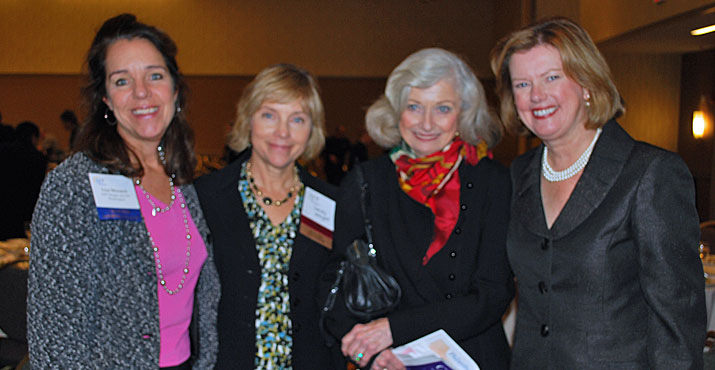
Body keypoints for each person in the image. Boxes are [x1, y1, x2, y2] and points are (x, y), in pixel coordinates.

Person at [490, 17, 705, 369]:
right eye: (522, 83)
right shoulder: (520, 173)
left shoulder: (649, 173)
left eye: (552, 77)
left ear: (587, 83)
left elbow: (677, 319)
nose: (536, 95)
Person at [27, 14, 220, 369]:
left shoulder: (187, 184)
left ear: (175, 90)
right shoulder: (74, 186)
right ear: (105, 98)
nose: (142, 92)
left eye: (155, 76)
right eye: (122, 81)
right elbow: (54, 334)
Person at [322, 48, 514, 370]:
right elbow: (336, 286)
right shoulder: (365, 183)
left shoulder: (493, 181)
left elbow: (493, 293)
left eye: (442, 108)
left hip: (474, 358)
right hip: (390, 361)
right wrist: (370, 356)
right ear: (397, 111)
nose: (426, 123)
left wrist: (394, 330)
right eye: (414, 107)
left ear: (463, 113)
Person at [194, 63, 338, 369]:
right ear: (248, 120)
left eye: (297, 119)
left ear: (312, 129)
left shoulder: (332, 204)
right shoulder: (205, 197)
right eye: (269, 115)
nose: (282, 133)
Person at [0, 121, 47, 240]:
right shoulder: (38, 158)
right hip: (26, 211)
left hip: (4, 205)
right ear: (33, 137)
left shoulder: (3, 151)